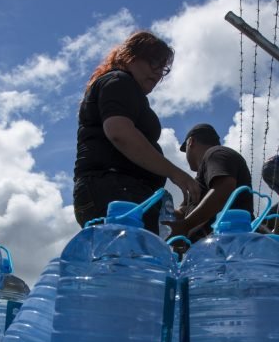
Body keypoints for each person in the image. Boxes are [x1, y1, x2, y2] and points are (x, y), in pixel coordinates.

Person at [73, 31, 200, 233]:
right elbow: (119, 132)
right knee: (128, 260)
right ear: (129, 56)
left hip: (117, 189)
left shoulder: (122, 85)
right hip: (116, 189)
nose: (158, 72)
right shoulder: (119, 80)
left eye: (163, 68)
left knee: (123, 261)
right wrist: (175, 173)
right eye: (152, 62)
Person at [167, 123, 254, 245]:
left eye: (185, 149)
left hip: (228, 246)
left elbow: (223, 190)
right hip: (215, 249)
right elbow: (183, 212)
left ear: (190, 142)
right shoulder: (201, 179)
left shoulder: (215, 153)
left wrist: (186, 225)